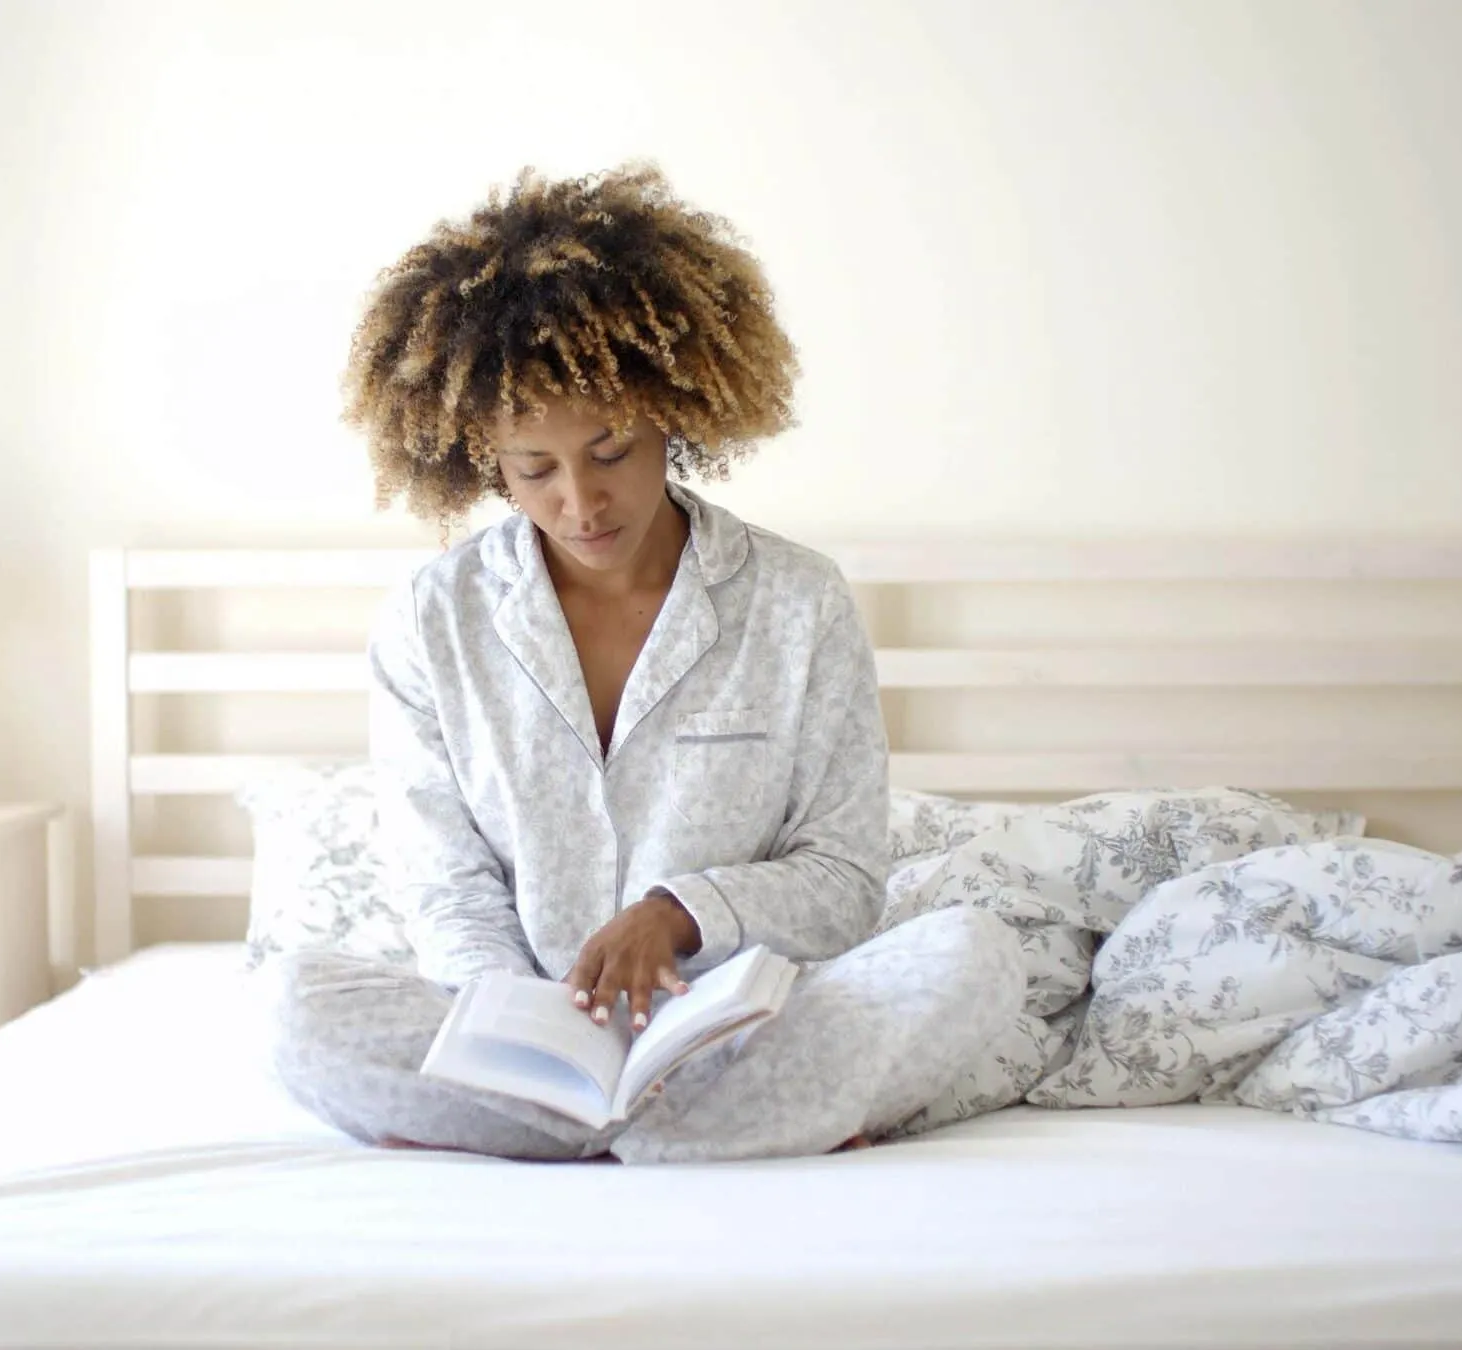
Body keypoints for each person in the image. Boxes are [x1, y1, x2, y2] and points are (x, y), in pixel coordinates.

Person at [265, 164, 1016, 1163]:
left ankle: (587, 1129)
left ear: (676, 411)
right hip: (513, 1029)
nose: (582, 502)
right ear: (481, 456)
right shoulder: (429, 621)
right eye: (535, 470)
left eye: (612, 451)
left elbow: (843, 883)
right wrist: (522, 1025)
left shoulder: (797, 603)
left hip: (740, 1029)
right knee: (296, 1007)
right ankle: (646, 1124)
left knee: (978, 955)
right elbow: (445, 887)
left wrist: (682, 913)